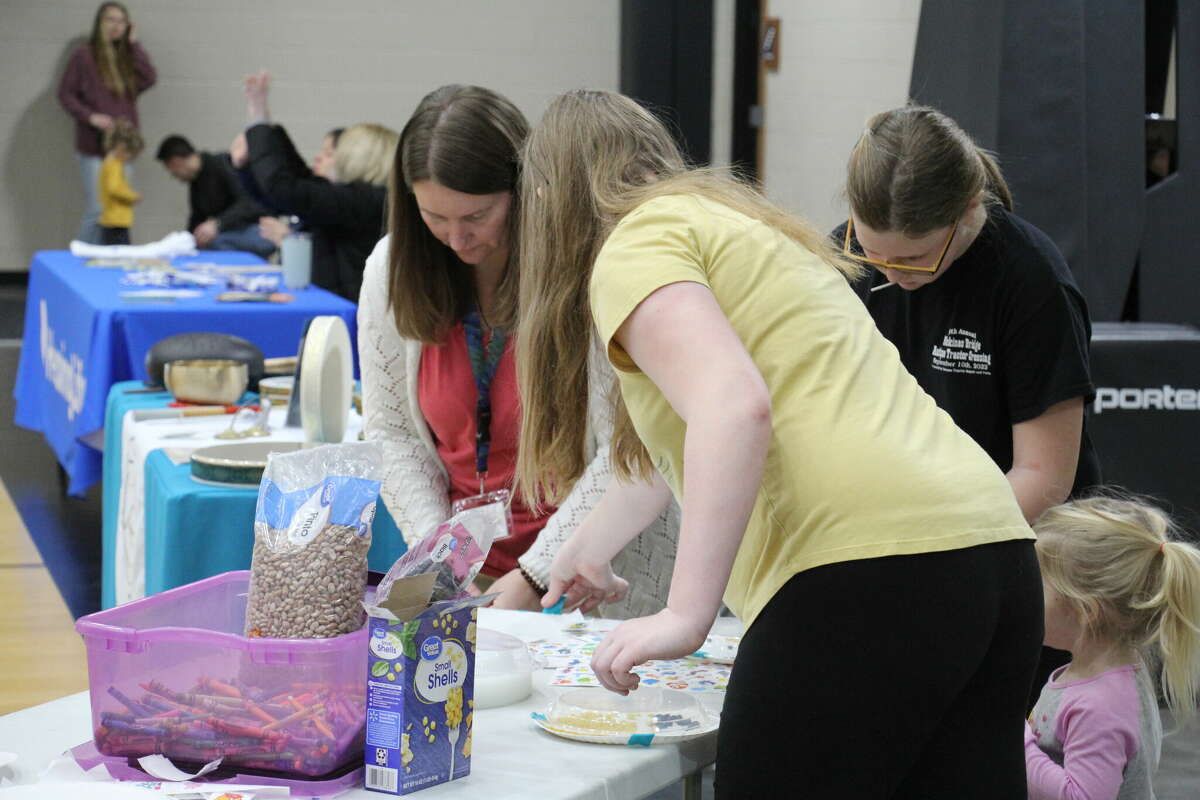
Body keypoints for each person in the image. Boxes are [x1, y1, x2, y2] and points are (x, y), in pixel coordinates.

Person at [516, 89, 1042, 798]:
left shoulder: (635, 244)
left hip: (864, 570)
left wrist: (684, 613)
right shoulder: (743, 229)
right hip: (992, 554)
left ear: (549, 196)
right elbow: (680, 446)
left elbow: (733, 410)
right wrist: (588, 546)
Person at [357, 85, 677, 616]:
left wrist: (535, 573)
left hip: (592, 573)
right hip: (472, 576)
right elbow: (391, 433)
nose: (456, 238)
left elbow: (628, 449)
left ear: (523, 190)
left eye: (476, 216)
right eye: (435, 218)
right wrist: (444, 561)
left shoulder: (582, 267)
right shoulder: (392, 270)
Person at [837, 105, 1100, 525]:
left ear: (967, 209)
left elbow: (1042, 477)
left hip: (1013, 537)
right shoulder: (842, 261)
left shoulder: (1031, 282)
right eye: (870, 251)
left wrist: (937, 540)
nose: (889, 272)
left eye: (914, 258)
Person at [1026, 495, 1200, 800]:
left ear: (1085, 609)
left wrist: (1019, 745)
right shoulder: (1108, 670)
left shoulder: (1100, 705)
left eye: (1038, 585)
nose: (1025, 596)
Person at [231, 71, 395, 302]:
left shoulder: (366, 201)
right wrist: (261, 133)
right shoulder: (367, 198)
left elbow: (285, 189)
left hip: (349, 311)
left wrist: (258, 122)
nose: (331, 158)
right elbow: (295, 184)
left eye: (334, 152)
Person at [58, 2, 156, 244]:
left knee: (116, 210)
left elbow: (149, 78)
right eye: (110, 19)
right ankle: (76, 264)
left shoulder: (128, 57)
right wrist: (90, 117)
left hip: (122, 148)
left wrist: (135, 45)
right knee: (98, 209)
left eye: (121, 21)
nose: (115, 25)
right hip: (93, 146)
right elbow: (65, 94)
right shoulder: (84, 55)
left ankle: (103, 266)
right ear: (99, 23)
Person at [155, 134, 276, 258]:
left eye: (172, 171)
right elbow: (196, 218)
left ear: (176, 161)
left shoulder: (222, 164)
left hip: (259, 229)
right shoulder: (196, 181)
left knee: (213, 242)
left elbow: (249, 203)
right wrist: (185, 241)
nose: (174, 176)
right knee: (200, 243)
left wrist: (217, 223)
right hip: (232, 232)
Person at [258, 128, 344, 247]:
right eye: (322, 152)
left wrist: (290, 239)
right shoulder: (318, 191)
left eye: (328, 154)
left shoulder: (341, 204)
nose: (317, 158)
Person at [97, 122, 142, 245]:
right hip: (116, 220)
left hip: (113, 219)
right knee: (121, 254)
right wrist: (133, 196)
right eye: (130, 155)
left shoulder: (110, 163)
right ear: (121, 147)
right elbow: (115, 188)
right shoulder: (114, 164)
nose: (129, 159)